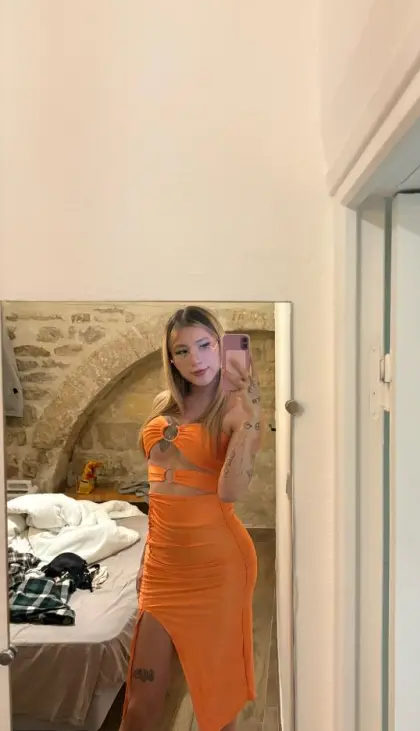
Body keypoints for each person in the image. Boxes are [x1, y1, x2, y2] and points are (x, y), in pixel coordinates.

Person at [119, 306, 262, 731]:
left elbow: (230, 491)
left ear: (221, 345)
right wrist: (146, 560)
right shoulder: (163, 406)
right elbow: (158, 495)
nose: (195, 359)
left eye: (204, 345)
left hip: (217, 568)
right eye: (182, 351)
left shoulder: (238, 411)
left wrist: (250, 420)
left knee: (216, 705)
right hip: (163, 568)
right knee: (139, 704)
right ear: (171, 359)